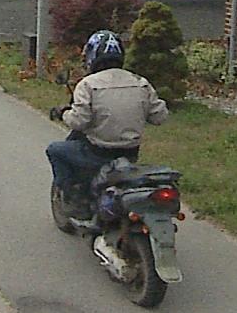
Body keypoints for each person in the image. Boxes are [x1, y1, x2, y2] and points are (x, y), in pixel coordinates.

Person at [45, 29, 169, 218]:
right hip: (129, 154)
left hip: (98, 154)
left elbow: (79, 121)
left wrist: (64, 113)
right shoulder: (140, 82)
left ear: (92, 55)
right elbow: (160, 116)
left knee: (55, 150)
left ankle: (73, 197)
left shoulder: (88, 84)